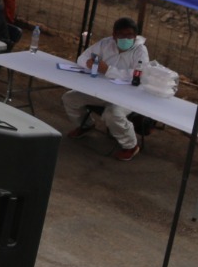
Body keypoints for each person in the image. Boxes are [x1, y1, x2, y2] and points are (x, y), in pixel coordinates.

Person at [62, 17, 150, 161]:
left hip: (127, 96)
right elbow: (82, 58)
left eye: (130, 36)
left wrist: (108, 70)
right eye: (122, 36)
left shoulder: (140, 50)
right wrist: (89, 64)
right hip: (101, 91)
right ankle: (86, 125)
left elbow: (138, 74)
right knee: (70, 98)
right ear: (114, 35)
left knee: (113, 114)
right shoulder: (105, 43)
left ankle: (130, 145)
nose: (126, 39)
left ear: (135, 36)